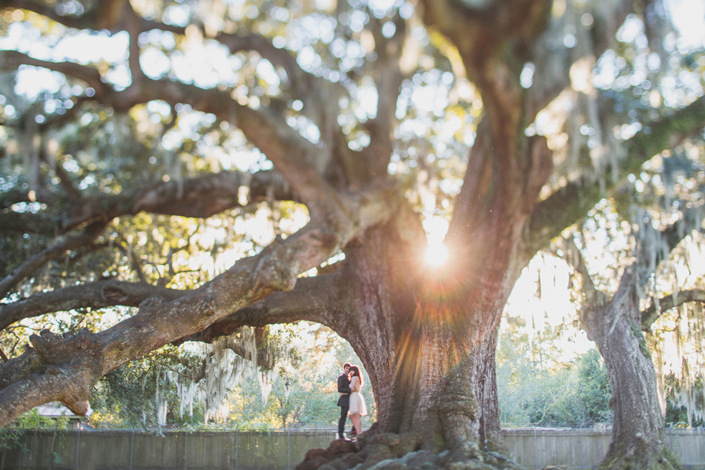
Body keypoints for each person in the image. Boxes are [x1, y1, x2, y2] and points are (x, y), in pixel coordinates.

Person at [348, 365, 367, 441]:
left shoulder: (354, 378)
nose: (351, 372)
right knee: (352, 416)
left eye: (352, 371)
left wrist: (348, 388)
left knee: (356, 415)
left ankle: (359, 433)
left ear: (355, 371)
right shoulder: (357, 378)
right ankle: (358, 432)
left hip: (355, 396)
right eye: (350, 371)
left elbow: (352, 388)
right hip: (356, 396)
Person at [336, 362, 352, 440]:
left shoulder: (351, 377)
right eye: (346, 368)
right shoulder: (341, 377)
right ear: (344, 369)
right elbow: (339, 389)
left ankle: (354, 430)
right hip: (344, 399)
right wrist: (350, 390)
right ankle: (340, 433)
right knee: (343, 416)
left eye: (349, 368)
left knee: (354, 414)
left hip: (351, 399)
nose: (348, 370)